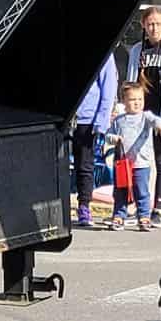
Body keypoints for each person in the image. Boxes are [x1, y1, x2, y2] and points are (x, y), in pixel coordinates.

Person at [124, 6, 161, 228]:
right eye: (150, 24)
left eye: (158, 23)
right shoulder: (137, 51)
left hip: (160, 116)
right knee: (138, 163)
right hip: (139, 117)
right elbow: (131, 81)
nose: (154, 28)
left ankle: (157, 209)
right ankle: (140, 207)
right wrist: (128, 110)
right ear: (143, 26)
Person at [106, 81, 161, 233]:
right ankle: (119, 216)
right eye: (133, 100)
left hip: (141, 164)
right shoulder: (119, 120)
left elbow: (157, 121)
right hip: (122, 164)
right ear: (124, 101)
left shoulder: (146, 117)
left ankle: (144, 216)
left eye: (140, 99)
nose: (137, 103)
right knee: (120, 191)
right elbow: (108, 135)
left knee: (141, 191)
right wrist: (113, 139)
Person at [71, 52, 118, 228]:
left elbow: (108, 88)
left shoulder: (105, 53)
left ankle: (84, 206)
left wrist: (101, 123)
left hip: (88, 120)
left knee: (85, 166)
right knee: (59, 166)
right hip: (64, 120)